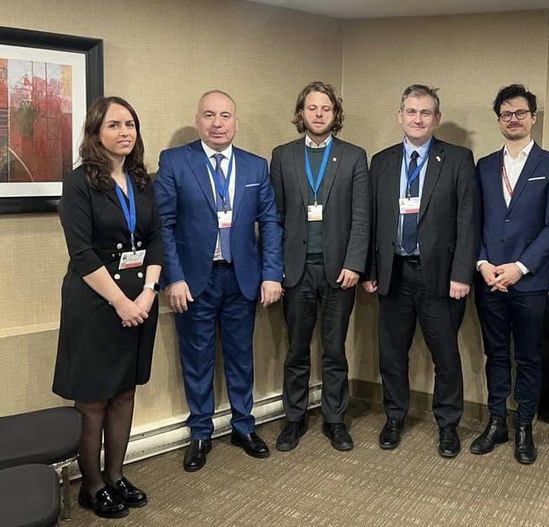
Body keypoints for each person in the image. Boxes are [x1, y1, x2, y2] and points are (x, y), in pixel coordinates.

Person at [154, 90, 283, 471]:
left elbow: (270, 223)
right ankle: (200, 433)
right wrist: (173, 278)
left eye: (225, 116)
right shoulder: (175, 162)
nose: (217, 123)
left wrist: (271, 273)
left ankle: (244, 426)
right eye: (209, 115)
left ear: (235, 123)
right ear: (198, 120)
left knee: (242, 356)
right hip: (194, 282)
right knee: (197, 359)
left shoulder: (255, 166)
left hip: (241, 279)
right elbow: (163, 225)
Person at [53, 96, 162, 518]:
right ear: (96, 132)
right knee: (94, 398)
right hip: (97, 303)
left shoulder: (142, 180)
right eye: (114, 125)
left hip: (140, 300)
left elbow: (157, 239)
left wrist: (148, 293)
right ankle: (92, 484)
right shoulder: (79, 182)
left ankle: (115, 475)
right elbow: (81, 253)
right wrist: (120, 302)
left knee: (124, 390)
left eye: (130, 124)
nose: (124, 132)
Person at [362, 84, 478, 458]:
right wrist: (370, 270)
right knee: (392, 353)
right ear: (400, 116)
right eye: (411, 111)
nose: (418, 118)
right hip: (393, 271)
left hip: (440, 275)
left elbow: (468, 220)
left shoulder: (458, 159)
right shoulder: (381, 161)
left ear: (436, 119)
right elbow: (372, 220)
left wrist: (462, 273)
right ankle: (394, 416)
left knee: (445, 354)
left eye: (425, 112)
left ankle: (448, 424)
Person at [471, 84, 549, 464]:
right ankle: (497, 421)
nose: (513, 119)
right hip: (489, 280)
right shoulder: (483, 166)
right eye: (506, 114)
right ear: (499, 120)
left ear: (533, 118)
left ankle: (524, 426)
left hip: (529, 282)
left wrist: (520, 267)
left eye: (520, 113)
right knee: (495, 354)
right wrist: (482, 263)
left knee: (528, 358)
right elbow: (475, 222)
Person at [270, 81, 370, 452]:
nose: (318, 114)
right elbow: (274, 217)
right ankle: (294, 418)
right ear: (301, 113)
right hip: (296, 272)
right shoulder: (283, 156)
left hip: (340, 272)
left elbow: (361, 217)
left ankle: (335, 420)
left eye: (325, 108)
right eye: (312, 108)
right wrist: (276, 268)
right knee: (296, 350)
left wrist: (355, 263)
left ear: (335, 114)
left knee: (334, 350)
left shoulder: (354, 156)